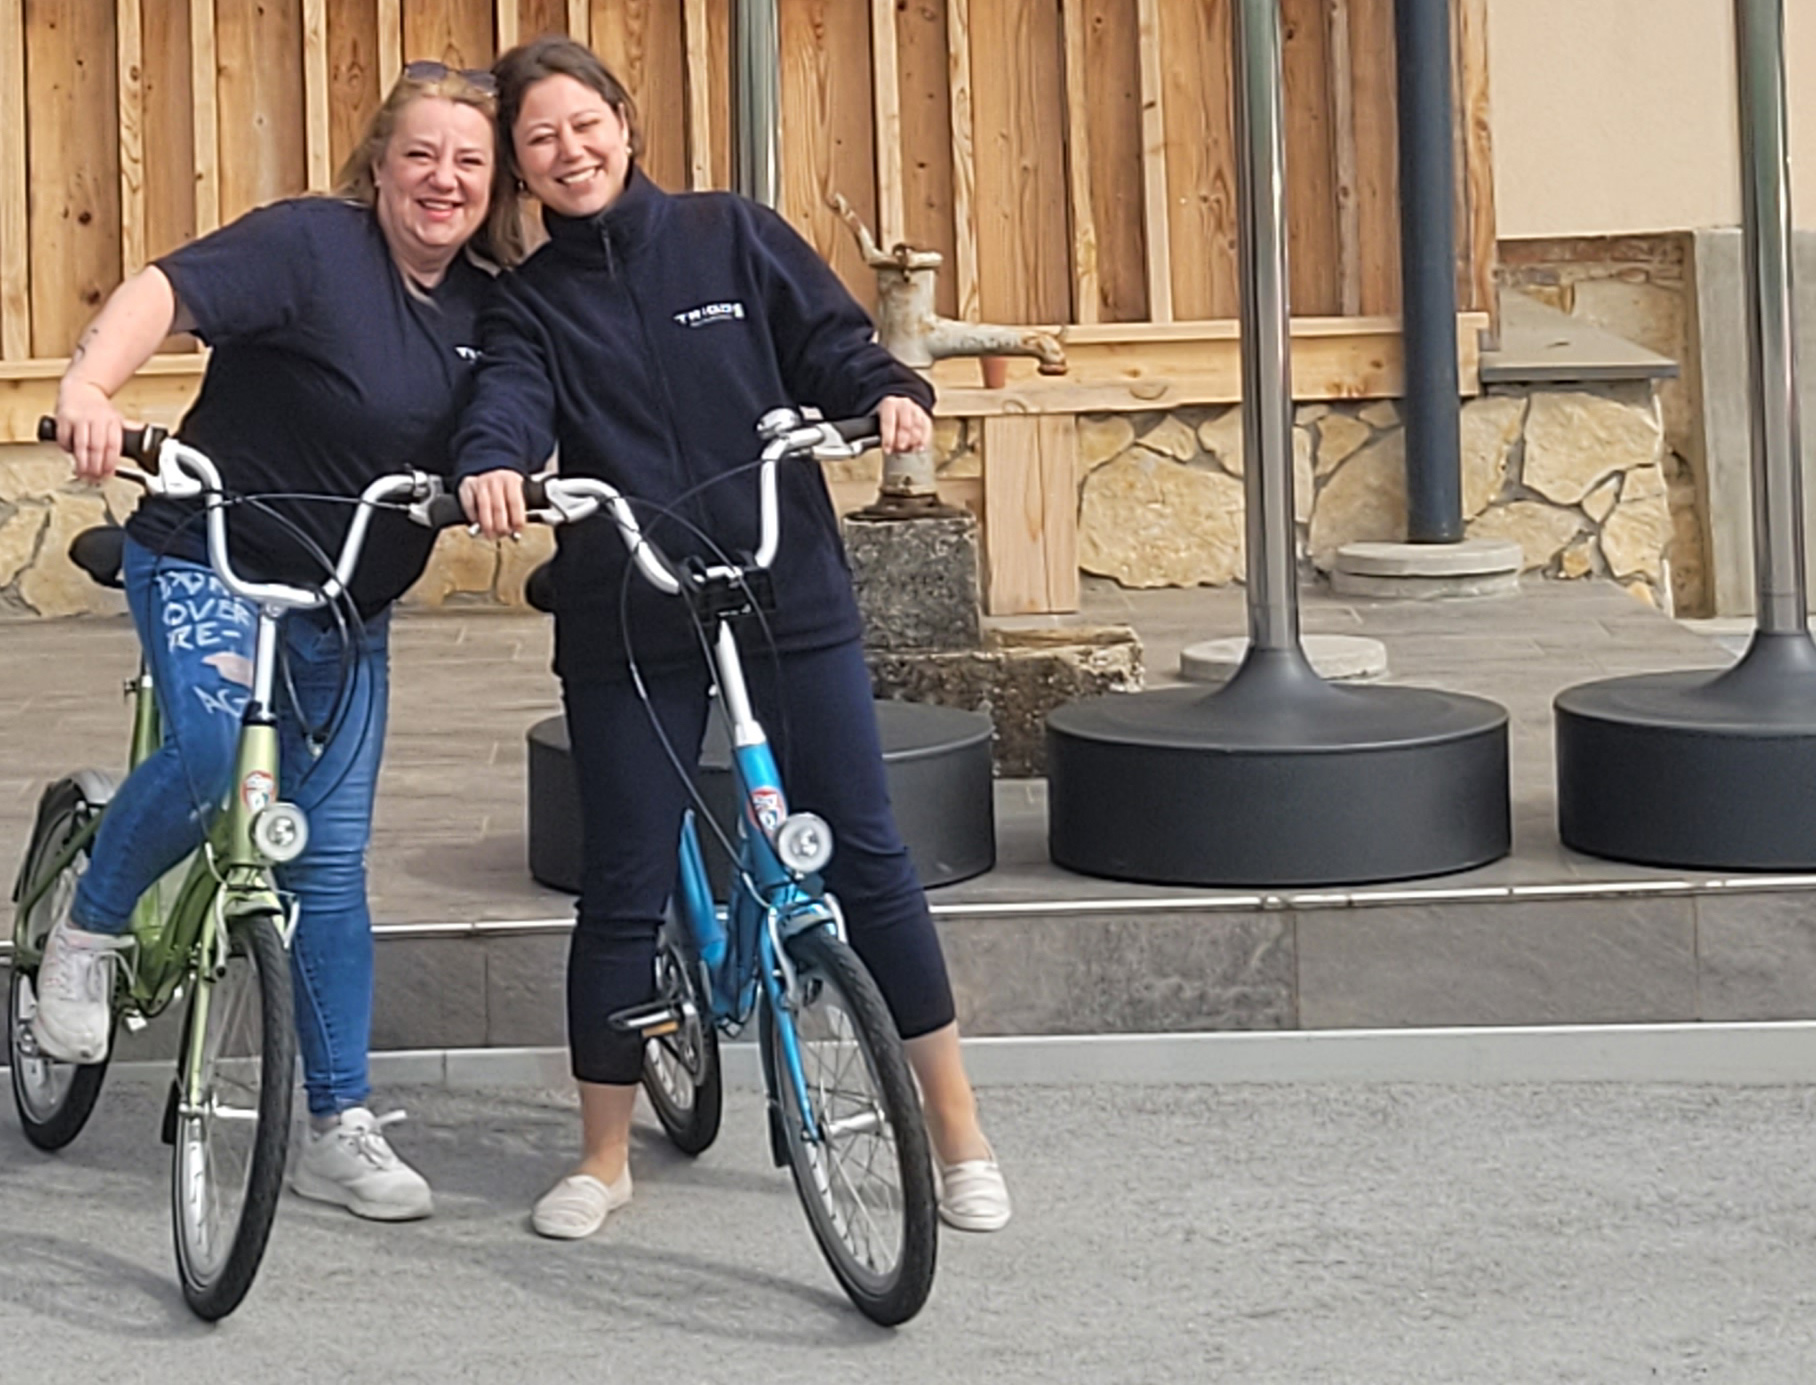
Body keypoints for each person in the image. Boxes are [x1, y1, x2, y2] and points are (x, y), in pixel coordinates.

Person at [455, 36, 1011, 1241]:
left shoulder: (731, 234)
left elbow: (833, 343)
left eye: (582, 124)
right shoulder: (529, 302)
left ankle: (958, 1127)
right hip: (629, 611)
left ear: (623, 120)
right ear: (520, 166)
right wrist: (494, 463)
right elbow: (506, 396)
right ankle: (603, 1157)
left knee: (866, 853)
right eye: (539, 139)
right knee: (623, 879)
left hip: (782, 588)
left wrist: (882, 394)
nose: (568, 151)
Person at [36, 63, 520, 1222]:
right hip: (210, 555)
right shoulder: (311, 246)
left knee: (326, 858)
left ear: (494, 183)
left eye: (468, 160)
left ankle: (336, 1122)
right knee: (215, 759)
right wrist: (91, 385)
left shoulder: (492, 305)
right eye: (421, 154)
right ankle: (89, 923)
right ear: (379, 164)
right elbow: (165, 289)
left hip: (344, 603)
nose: (442, 179)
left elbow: (514, 411)